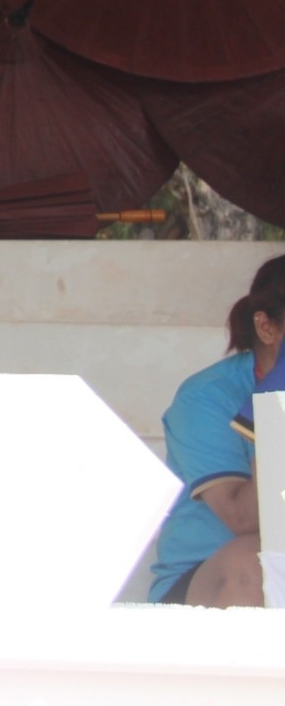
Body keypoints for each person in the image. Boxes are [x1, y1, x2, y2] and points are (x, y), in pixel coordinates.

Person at [149, 253, 285, 607]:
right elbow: (243, 518)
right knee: (253, 561)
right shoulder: (206, 396)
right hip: (210, 579)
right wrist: (276, 406)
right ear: (266, 327)